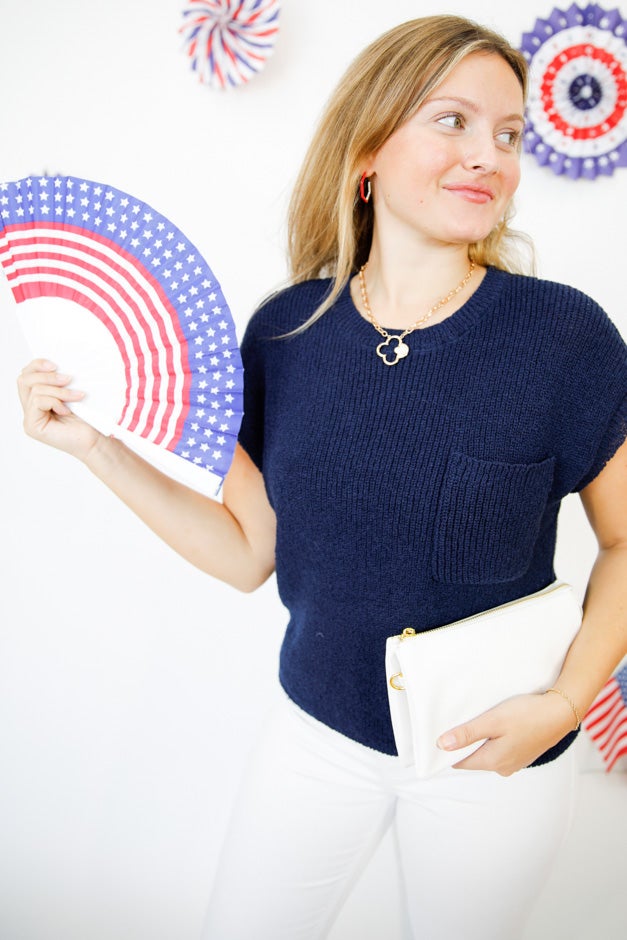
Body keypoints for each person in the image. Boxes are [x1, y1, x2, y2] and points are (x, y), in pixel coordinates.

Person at [17, 14, 627, 940]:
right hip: (316, 736)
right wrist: (98, 447)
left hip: (491, 755)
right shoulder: (284, 333)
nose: (489, 157)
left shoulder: (562, 337)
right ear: (367, 150)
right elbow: (248, 553)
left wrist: (564, 703)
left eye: (508, 135)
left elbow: (623, 542)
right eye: (452, 121)